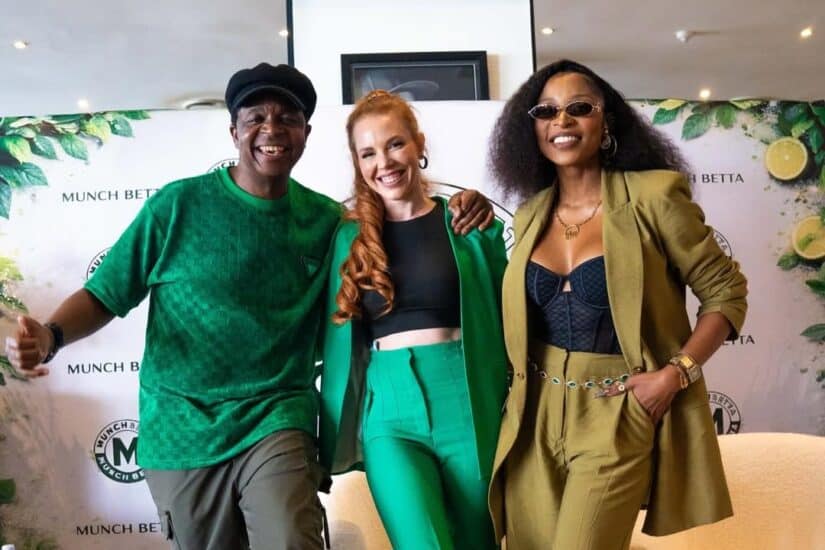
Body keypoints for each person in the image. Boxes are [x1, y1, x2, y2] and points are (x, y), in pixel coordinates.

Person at [3, 64, 492, 550]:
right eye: (256, 117)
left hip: (277, 417)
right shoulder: (176, 207)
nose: (271, 129)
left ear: (305, 134)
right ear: (234, 131)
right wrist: (50, 337)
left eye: (287, 118)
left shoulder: (325, 222)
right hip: (182, 431)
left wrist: (469, 205)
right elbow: (104, 293)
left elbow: (403, 235)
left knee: (290, 538)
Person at [486, 60, 748, 550]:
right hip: (533, 413)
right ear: (532, 128)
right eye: (547, 111)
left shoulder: (654, 196)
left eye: (579, 108)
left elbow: (725, 293)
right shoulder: (529, 214)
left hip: (616, 410)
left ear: (606, 122)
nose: (562, 120)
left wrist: (676, 374)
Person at [319, 90, 508, 550]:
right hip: (388, 410)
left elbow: (512, 315)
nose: (384, 162)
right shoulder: (348, 237)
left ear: (418, 145)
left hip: (466, 396)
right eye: (368, 153)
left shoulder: (467, 225)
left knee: (478, 542)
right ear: (357, 162)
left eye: (395, 144)